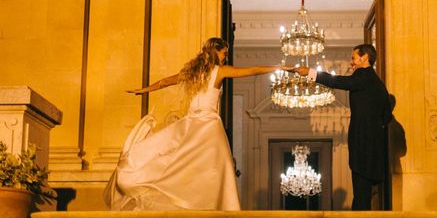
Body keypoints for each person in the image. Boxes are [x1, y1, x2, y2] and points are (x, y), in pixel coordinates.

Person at [104, 37, 292, 211]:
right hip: (208, 125)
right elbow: (252, 70)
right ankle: (218, 206)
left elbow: (165, 82)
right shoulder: (219, 71)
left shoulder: (193, 73)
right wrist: (280, 68)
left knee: (190, 164)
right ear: (215, 52)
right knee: (218, 166)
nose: (226, 57)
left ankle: (204, 204)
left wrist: (145, 90)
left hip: (191, 124)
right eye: (224, 53)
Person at [296, 43, 391, 210]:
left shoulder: (364, 76)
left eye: (353, 58)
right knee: (365, 199)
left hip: (363, 149)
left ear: (365, 58)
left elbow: (337, 81)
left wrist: (311, 73)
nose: (350, 63)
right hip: (375, 151)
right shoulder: (378, 84)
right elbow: (386, 117)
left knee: (361, 200)